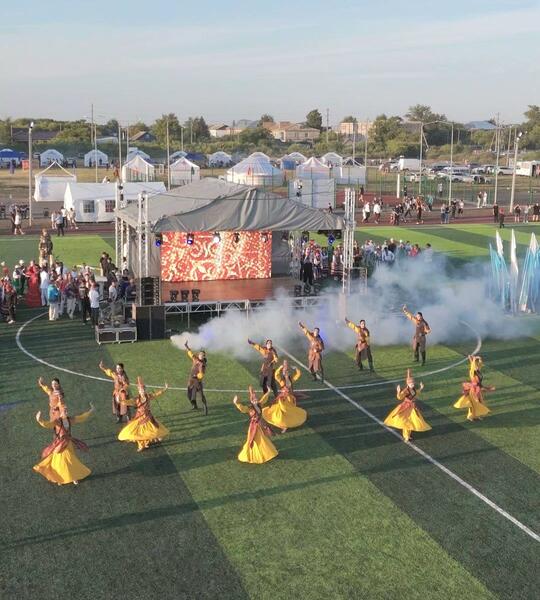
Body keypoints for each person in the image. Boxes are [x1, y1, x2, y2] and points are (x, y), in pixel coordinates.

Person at [33, 403, 94, 486]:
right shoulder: (57, 422)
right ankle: (59, 478)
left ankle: (73, 477)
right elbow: (47, 424)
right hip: (59, 445)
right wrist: (39, 420)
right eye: (64, 411)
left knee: (70, 460)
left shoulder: (70, 419)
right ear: (60, 413)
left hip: (68, 443)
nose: (66, 412)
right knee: (60, 462)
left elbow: (81, 418)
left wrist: (90, 411)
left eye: (66, 410)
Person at [117, 378, 169, 452]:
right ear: (139, 391)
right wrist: (120, 400)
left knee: (154, 429)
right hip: (140, 417)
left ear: (145, 390)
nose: (142, 391)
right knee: (139, 432)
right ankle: (141, 445)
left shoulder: (148, 396)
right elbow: (128, 402)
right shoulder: (136, 399)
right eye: (141, 390)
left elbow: (156, 394)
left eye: (143, 390)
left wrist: (165, 389)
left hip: (148, 417)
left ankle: (152, 438)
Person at [233, 386, 278, 464]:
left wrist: (268, 391)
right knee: (256, 440)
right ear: (251, 401)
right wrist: (236, 403)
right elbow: (242, 408)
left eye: (256, 399)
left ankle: (265, 452)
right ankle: (255, 454)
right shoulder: (249, 409)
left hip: (260, 425)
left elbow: (264, 398)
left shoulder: (260, 404)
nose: (255, 400)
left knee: (262, 439)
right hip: (254, 427)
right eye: (253, 400)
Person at [384, 369, 431, 442]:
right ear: (408, 384)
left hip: (412, 407)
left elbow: (416, 393)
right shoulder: (406, 391)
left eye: (413, 383)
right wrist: (398, 392)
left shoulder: (413, 389)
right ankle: (406, 436)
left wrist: (421, 388)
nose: (412, 385)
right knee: (406, 422)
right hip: (406, 407)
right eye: (411, 384)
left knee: (412, 421)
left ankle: (408, 435)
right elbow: (400, 397)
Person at [262, 363, 307, 433]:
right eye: (284, 372)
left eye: (287, 372)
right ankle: (283, 426)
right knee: (281, 411)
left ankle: (289, 421)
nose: (286, 373)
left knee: (289, 411)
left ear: (289, 373)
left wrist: (296, 368)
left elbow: (298, 375)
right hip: (283, 398)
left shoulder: (291, 380)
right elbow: (276, 375)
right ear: (283, 373)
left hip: (290, 398)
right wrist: (280, 367)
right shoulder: (281, 381)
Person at [454, 355, 495, 422]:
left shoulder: (478, 371)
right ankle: (470, 416)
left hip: (477, 389)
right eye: (476, 365)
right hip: (473, 389)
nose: (477, 366)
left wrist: (479, 359)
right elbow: (473, 366)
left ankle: (478, 415)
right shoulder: (472, 372)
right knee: (473, 403)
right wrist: (473, 359)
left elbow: (479, 364)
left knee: (479, 402)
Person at [184, 341, 208, 415]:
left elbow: (202, 374)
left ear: (204, 356)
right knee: (189, 394)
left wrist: (197, 376)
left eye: (202, 355)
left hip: (197, 381)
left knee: (201, 395)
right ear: (199, 355)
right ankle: (194, 405)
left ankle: (205, 406)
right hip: (191, 380)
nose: (201, 356)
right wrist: (186, 346)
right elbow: (190, 354)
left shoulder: (202, 364)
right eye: (200, 354)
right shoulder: (195, 359)